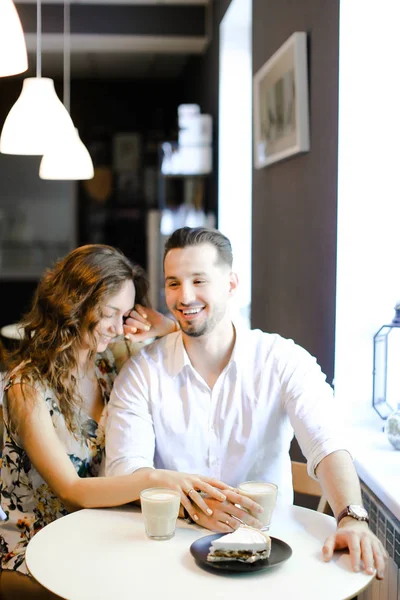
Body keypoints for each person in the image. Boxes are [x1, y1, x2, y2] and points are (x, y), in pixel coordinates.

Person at [106, 226, 387, 580]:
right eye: (173, 282)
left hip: (270, 561)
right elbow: (123, 471)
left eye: (199, 280)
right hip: (168, 560)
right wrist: (191, 507)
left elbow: (326, 442)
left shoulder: (282, 359)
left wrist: (352, 518)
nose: (184, 296)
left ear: (232, 284)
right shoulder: (141, 373)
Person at [0, 244, 235, 599]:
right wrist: (154, 479)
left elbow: (202, 345)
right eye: (109, 313)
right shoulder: (26, 388)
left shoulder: (112, 362)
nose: (117, 327)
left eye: (125, 314)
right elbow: (72, 492)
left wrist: (163, 325)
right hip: (36, 548)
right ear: (73, 304)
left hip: (98, 534)